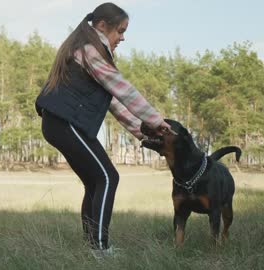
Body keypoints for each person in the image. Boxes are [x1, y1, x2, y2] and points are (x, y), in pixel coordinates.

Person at [35, 2, 172, 256]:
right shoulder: (90, 50)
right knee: (107, 177)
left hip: (61, 123)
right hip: (64, 121)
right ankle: (100, 249)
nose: (123, 37)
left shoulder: (90, 50)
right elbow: (124, 90)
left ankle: (92, 246)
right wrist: (156, 120)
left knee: (95, 181)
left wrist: (143, 133)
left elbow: (116, 104)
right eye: (120, 31)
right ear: (101, 26)